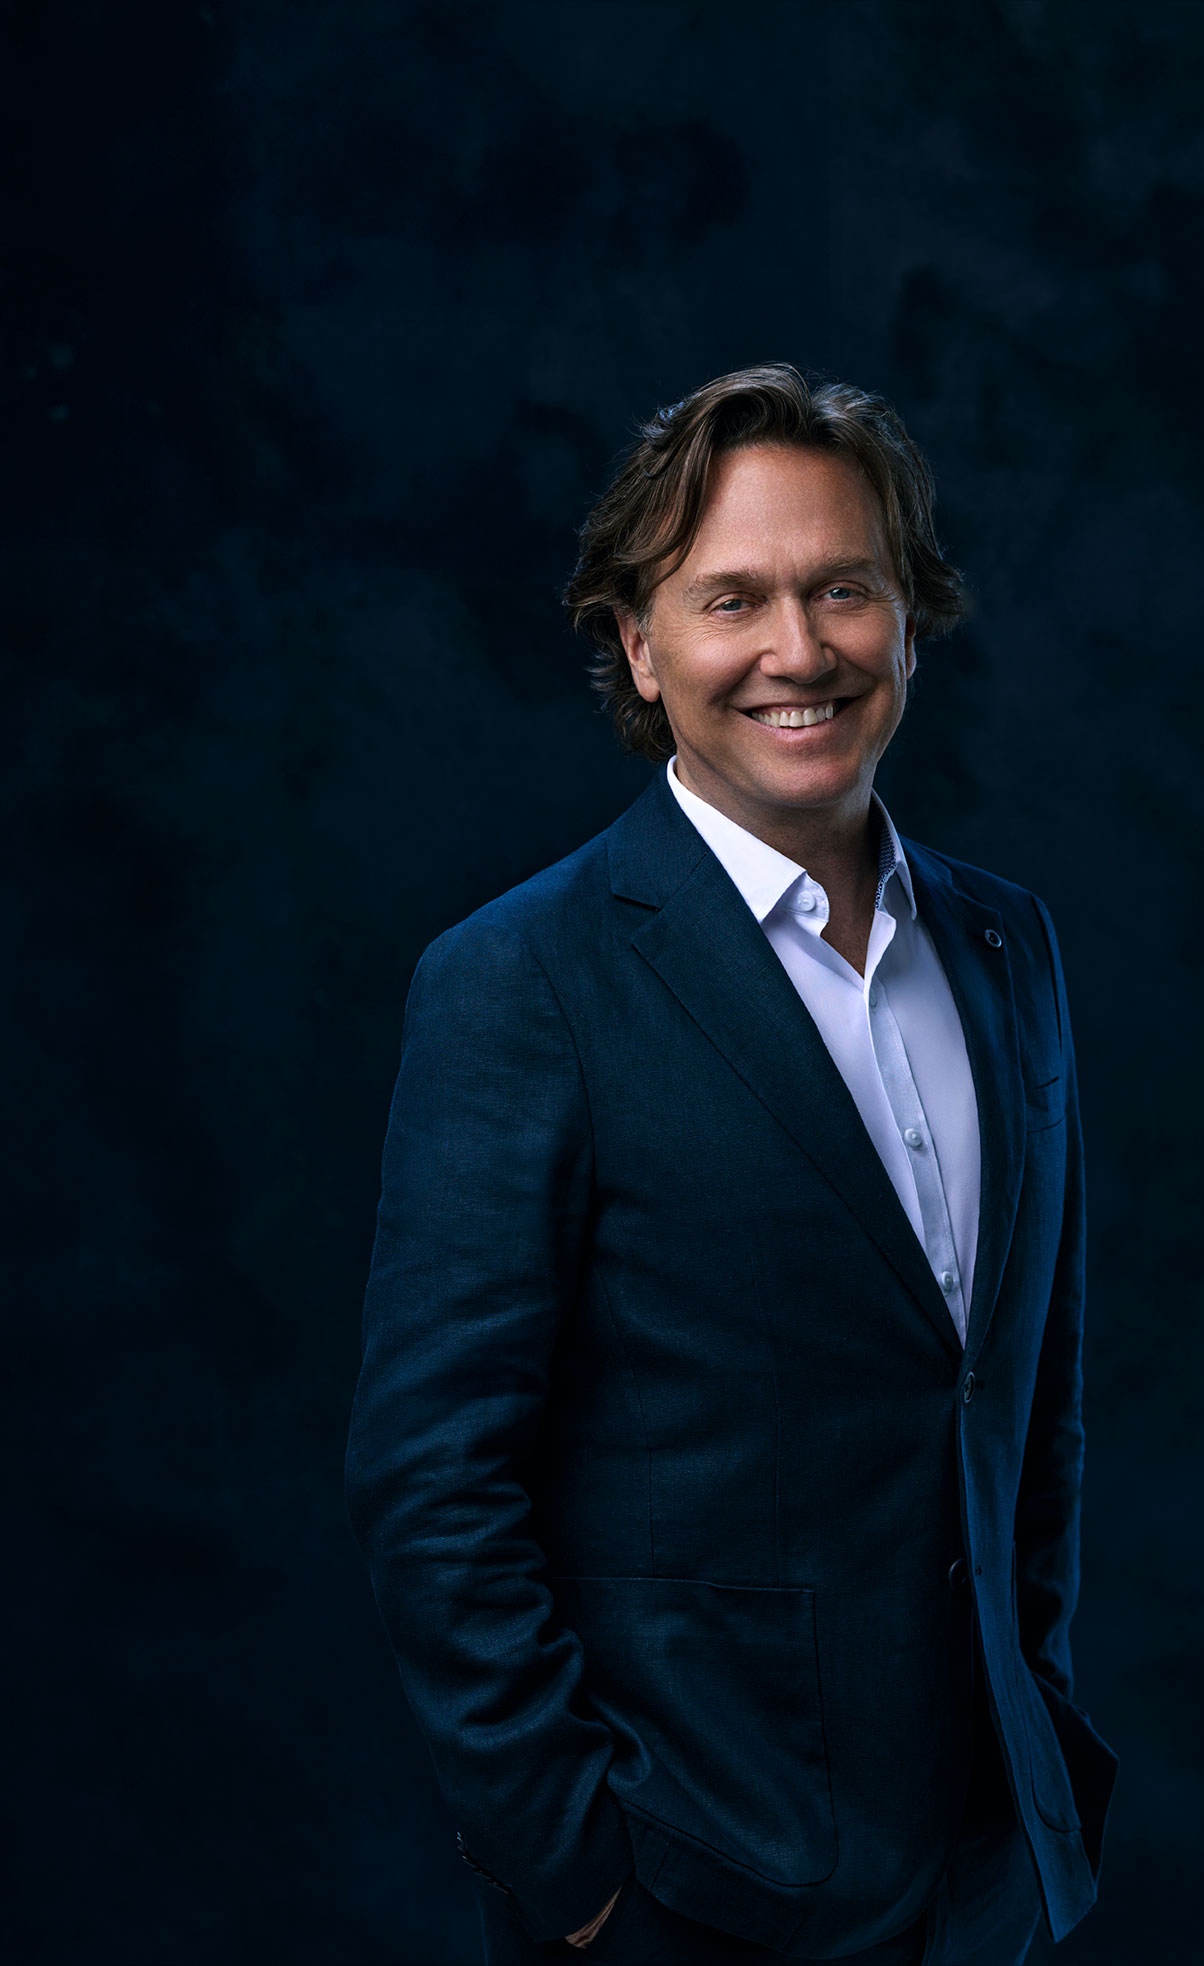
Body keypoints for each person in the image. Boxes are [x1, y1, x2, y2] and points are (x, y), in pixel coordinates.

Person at [345, 364, 1116, 1964]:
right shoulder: (524, 980)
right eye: (731, 598)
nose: (799, 648)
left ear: (910, 615)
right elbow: (433, 1487)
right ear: (640, 644)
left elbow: (1022, 1401)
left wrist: (1034, 1713)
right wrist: (579, 1875)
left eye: (843, 587)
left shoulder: (1007, 944)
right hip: (688, 1891)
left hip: (985, 1880)